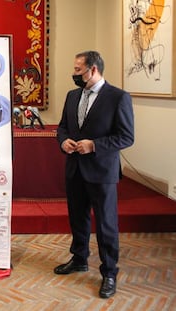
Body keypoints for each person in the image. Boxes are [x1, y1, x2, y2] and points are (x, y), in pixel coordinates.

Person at [55, 51, 134, 298]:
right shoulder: (72, 95)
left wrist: (95, 145)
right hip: (75, 169)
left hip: (102, 172)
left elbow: (126, 136)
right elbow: (63, 127)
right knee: (78, 218)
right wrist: (64, 141)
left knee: (106, 224)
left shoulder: (118, 97)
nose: (74, 74)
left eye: (78, 69)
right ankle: (79, 258)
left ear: (94, 70)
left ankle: (109, 272)